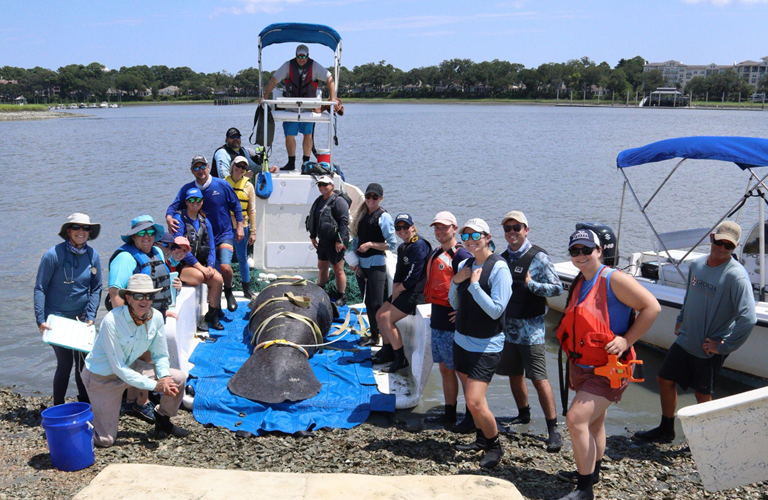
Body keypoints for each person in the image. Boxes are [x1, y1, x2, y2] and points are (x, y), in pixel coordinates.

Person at [556, 229, 660, 500]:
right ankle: (591, 472)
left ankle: (583, 489)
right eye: (575, 251)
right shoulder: (580, 280)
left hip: (610, 368)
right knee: (594, 423)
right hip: (583, 366)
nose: (580, 256)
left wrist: (626, 340)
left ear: (599, 251)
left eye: (586, 250)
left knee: (575, 419)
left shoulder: (613, 279)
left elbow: (652, 308)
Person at [635, 221, 756, 444]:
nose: (721, 248)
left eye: (728, 246)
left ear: (734, 248)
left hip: (708, 348)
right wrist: (680, 320)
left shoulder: (736, 276)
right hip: (686, 339)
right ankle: (666, 429)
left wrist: (724, 347)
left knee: (702, 395)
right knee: (664, 379)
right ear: (712, 238)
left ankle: (706, 441)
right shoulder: (697, 265)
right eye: (719, 242)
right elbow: (689, 297)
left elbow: (748, 318)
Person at [82, 274, 189, 448]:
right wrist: (154, 386)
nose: (144, 300)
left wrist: (163, 378)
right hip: (103, 377)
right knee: (105, 441)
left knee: (177, 378)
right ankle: (76, 428)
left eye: (149, 296)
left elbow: (161, 355)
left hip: (130, 367)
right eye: (139, 295)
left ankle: (163, 419)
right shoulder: (112, 321)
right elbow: (118, 368)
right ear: (129, 298)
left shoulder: (155, 318)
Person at [495, 211, 564, 452]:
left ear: (526, 230)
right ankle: (523, 415)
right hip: (508, 330)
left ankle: (553, 428)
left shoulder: (539, 257)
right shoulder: (501, 258)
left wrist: (531, 284)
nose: (512, 232)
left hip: (532, 330)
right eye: (508, 228)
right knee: (514, 374)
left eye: (517, 228)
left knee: (538, 377)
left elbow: (557, 289)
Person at [449, 218, 512, 469]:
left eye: (476, 236)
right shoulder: (465, 264)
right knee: (472, 397)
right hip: (461, 340)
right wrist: (457, 281)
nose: (470, 241)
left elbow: (496, 311)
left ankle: (495, 445)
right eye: (465, 237)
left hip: (486, 346)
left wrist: (474, 285)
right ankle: (481, 438)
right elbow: (455, 303)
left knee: (475, 400)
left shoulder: (500, 269)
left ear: (487, 237)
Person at [108, 214, 182, 422]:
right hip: (136, 319)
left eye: (150, 232)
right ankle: (141, 403)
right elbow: (115, 295)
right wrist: (130, 326)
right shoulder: (124, 258)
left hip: (155, 316)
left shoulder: (157, 251)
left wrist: (176, 286)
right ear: (133, 237)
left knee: (147, 357)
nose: (147, 236)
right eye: (141, 233)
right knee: (144, 359)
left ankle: (131, 401)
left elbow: (163, 278)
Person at [35, 213, 102, 405]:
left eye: (86, 228)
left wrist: (91, 315)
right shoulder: (53, 255)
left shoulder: (92, 255)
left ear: (90, 232)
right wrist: (40, 319)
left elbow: (96, 288)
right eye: (76, 227)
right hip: (57, 319)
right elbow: (40, 287)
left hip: (82, 319)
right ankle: (58, 406)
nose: (81, 232)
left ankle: (84, 403)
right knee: (65, 364)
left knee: (83, 364)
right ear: (68, 231)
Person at [166, 155, 244, 312]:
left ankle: (228, 291)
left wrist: (240, 226)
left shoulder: (221, 184)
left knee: (225, 267)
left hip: (224, 234)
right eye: (196, 167)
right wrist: (168, 218)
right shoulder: (186, 189)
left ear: (208, 167)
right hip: (203, 239)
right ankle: (215, 309)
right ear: (192, 170)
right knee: (210, 273)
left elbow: (236, 205)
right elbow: (173, 207)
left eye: (203, 167)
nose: (200, 170)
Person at [421, 211, 472, 429]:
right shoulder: (436, 253)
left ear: (454, 228)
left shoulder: (460, 256)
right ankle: (449, 413)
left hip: (454, 323)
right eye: (437, 227)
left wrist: (463, 312)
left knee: (462, 370)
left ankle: (472, 416)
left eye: (445, 227)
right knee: (444, 368)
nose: (440, 231)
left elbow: (475, 286)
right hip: (438, 317)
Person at [259, 44, 340, 171]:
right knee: (289, 135)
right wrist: (264, 97)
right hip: (290, 107)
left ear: (308, 56)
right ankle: (291, 162)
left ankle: (305, 163)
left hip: (308, 108)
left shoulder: (315, 66)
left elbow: (330, 78)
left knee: (308, 135)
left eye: (304, 56)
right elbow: (274, 81)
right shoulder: (287, 66)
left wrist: (333, 98)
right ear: (295, 55)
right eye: (299, 56)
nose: (301, 58)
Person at [373, 213, 432, 373]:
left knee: (386, 319)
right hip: (404, 290)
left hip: (416, 293)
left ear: (413, 227)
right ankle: (387, 351)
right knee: (379, 314)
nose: (402, 230)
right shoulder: (402, 247)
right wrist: (394, 294)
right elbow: (399, 273)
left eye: (405, 226)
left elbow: (414, 275)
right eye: (398, 228)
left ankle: (401, 359)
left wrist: (399, 291)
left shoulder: (420, 245)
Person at [348, 183, 397, 347]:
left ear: (381, 198)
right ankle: (374, 335)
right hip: (360, 265)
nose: (371, 199)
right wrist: (354, 257)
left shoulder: (384, 217)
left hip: (376, 265)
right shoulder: (362, 214)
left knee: (376, 303)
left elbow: (392, 244)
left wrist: (370, 245)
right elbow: (357, 237)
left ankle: (384, 339)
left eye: (375, 197)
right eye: (368, 196)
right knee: (367, 302)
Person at [171, 187, 225, 331]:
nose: (195, 203)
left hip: (200, 265)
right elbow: (180, 248)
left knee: (218, 279)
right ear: (186, 202)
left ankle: (212, 315)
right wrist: (200, 267)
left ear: (202, 202)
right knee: (199, 277)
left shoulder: (205, 222)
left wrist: (211, 266)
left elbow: (212, 246)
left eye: (198, 200)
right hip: (182, 264)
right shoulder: (179, 219)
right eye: (191, 200)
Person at [307, 175, 350, 306]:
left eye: (325, 184)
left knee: (338, 269)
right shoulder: (318, 200)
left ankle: (341, 295)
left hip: (335, 241)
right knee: (322, 266)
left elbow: (344, 222)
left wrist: (340, 240)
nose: (322, 187)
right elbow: (313, 219)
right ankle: (320, 289)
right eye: (320, 185)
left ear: (332, 186)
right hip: (323, 241)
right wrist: (313, 236)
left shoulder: (339, 201)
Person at [225, 156, 257, 300]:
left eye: (244, 167)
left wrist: (253, 231)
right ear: (232, 166)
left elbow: (252, 210)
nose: (240, 169)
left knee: (242, 258)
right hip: (225, 228)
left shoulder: (249, 186)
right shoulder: (224, 183)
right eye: (238, 166)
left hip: (241, 227)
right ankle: (225, 287)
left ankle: (246, 288)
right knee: (223, 259)